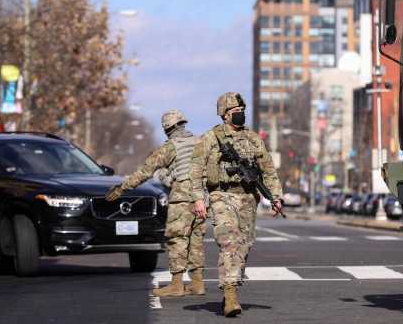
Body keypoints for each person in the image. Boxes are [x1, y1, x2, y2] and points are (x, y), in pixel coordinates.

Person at [189, 92, 283, 317]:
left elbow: (268, 169)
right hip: (222, 195)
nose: (239, 115)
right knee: (229, 243)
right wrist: (198, 198)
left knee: (244, 245)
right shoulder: (211, 138)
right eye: (234, 112)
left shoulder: (252, 138)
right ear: (224, 115)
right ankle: (230, 296)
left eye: (242, 111)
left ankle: (231, 286)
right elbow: (196, 169)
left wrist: (276, 196)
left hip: (248, 198)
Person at [105, 109, 206, 297]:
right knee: (196, 239)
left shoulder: (170, 147)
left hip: (182, 198)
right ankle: (198, 283)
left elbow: (145, 171)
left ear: (167, 128)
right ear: (183, 123)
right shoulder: (200, 142)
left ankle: (176, 285)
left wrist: (121, 188)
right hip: (201, 198)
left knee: (177, 239)